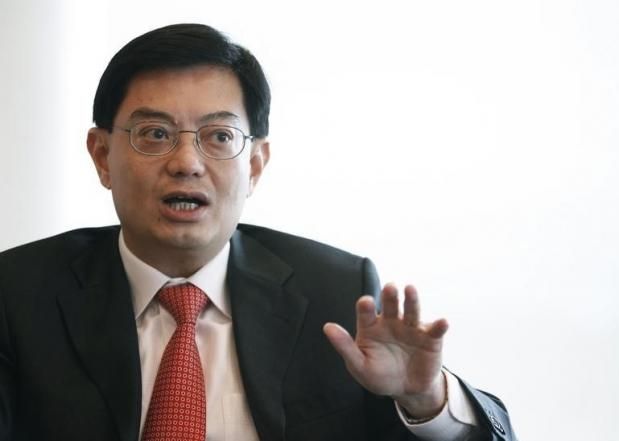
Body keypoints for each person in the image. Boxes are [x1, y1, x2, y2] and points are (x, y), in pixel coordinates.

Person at [0, 23, 516, 441]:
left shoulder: (335, 293)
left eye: (219, 136)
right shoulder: (18, 295)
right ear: (101, 156)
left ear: (255, 165)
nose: (186, 162)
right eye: (155, 134)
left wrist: (424, 401)